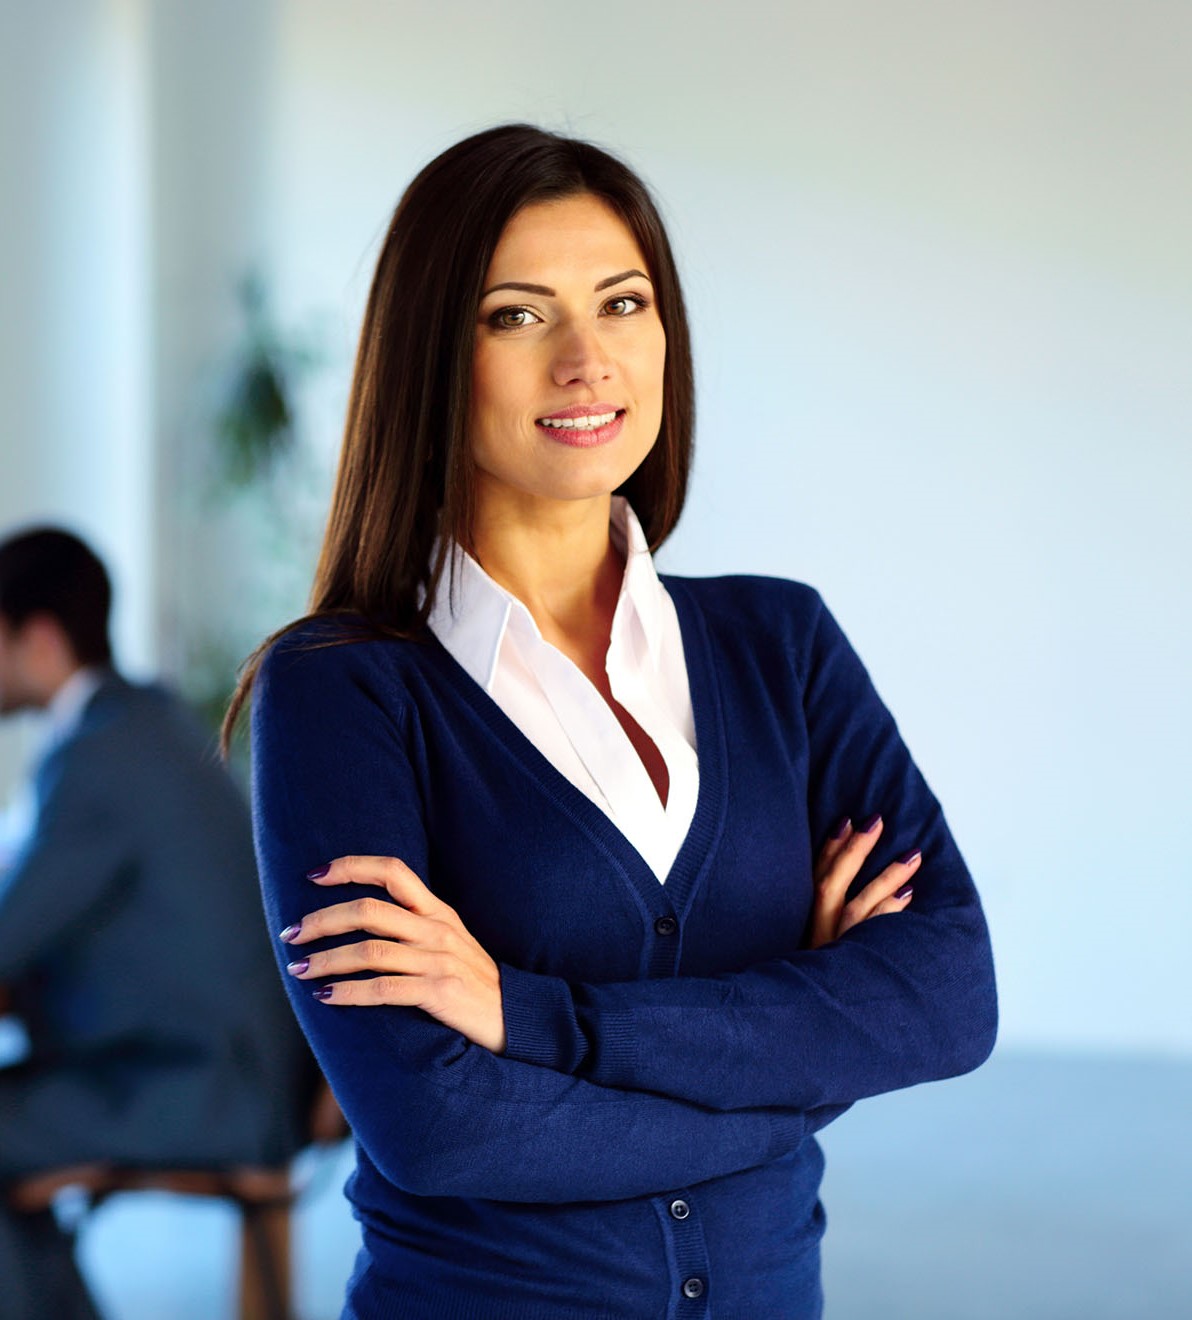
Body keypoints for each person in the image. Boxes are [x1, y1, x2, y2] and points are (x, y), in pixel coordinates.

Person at [231, 123, 998, 1319]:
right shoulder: (339, 692)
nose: (587, 360)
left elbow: (948, 996)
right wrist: (807, 1055)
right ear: (433, 356)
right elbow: (435, 1127)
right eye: (517, 315)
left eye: (623, 303)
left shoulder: (778, 644)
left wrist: (532, 1018)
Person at [0, 527, 316, 1320]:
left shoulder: (102, 758)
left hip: (203, 1086)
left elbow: (12, 932)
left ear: (37, 637)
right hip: (240, 1070)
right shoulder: (151, 726)